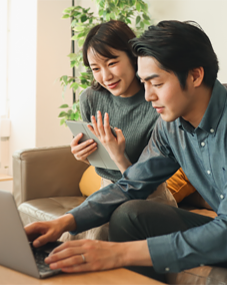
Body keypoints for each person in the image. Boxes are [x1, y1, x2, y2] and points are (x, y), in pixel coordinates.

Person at [25, 20, 227, 285]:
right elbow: (130, 185)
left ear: (195, 76)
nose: (148, 96)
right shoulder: (170, 127)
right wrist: (64, 222)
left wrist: (118, 254)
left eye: (156, 83)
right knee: (131, 213)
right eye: (144, 83)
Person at [69, 20, 177, 209]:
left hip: (149, 198)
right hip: (106, 191)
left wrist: (118, 155)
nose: (105, 76)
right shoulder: (90, 98)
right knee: (70, 231)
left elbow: (141, 184)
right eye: (95, 68)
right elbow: (100, 163)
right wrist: (85, 155)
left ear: (133, 57)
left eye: (112, 63)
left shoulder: (156, 102)